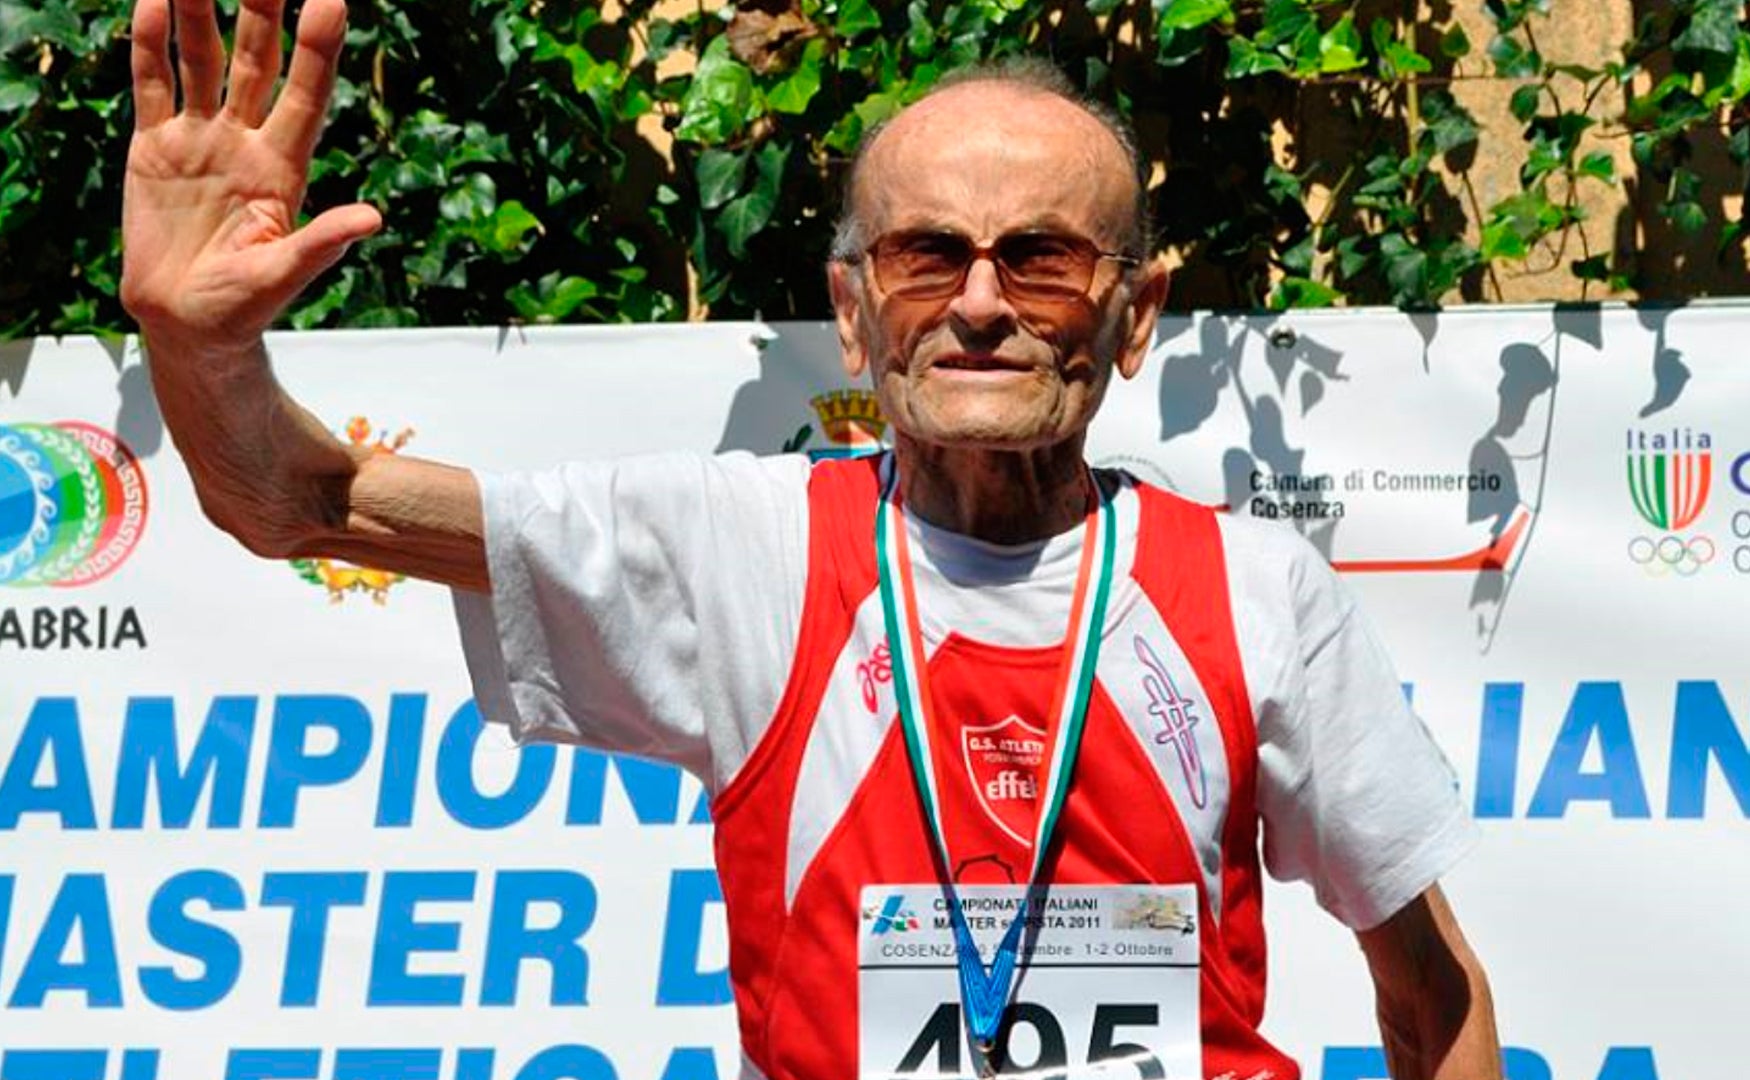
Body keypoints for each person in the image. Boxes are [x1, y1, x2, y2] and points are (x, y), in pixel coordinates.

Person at [119, 0, 1501, 1077]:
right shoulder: (745, 549)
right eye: (922, 255)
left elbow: (1429, 999)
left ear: (1134, 316)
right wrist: (196, 349)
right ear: (851, 313)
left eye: (1040, 257)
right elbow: (293, 501)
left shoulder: (1255, 589)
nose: (976, 304)